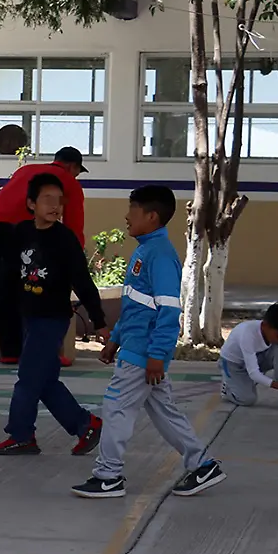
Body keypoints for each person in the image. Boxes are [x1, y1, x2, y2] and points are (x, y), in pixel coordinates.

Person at [71, 185, 225, 499]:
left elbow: (169, 311)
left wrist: (157, 354)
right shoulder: (145, 251)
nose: (127, 217)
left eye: (133, 210)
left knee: (116, 407)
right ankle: (202, 465)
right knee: (164, 412)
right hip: (137, 349)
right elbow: (136, 307)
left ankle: (108, 476)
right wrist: (115, 339)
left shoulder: (160, 256)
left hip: (142, 353)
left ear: (151, 216)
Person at [0, 172, 107, 456]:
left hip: (52, 319)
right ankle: (86, 425)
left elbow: (83, 282)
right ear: (31, 203)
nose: (55, 206)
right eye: (47, 199)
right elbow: (8, 272)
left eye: (59, 200)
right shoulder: (21, 233)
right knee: (45, 381)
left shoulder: (65, 239)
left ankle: (21, 435)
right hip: (29, 316)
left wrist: (99, 321)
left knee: (27, 378)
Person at [0, 146, 89, 364]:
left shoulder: (26, 170)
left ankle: (10, 352)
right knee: (39, 284)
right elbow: (74, 226)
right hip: (27, 228)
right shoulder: (68, 182)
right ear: (72, 167)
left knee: (5, 282)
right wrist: (74, 259)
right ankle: (44, 351)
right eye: (77, 172)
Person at [220, 301, 278, 410]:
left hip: (256, 359)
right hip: (233, 364)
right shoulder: (247, 334)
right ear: (265, 325)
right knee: (247, 399)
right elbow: (254, 373)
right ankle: (227, 388)